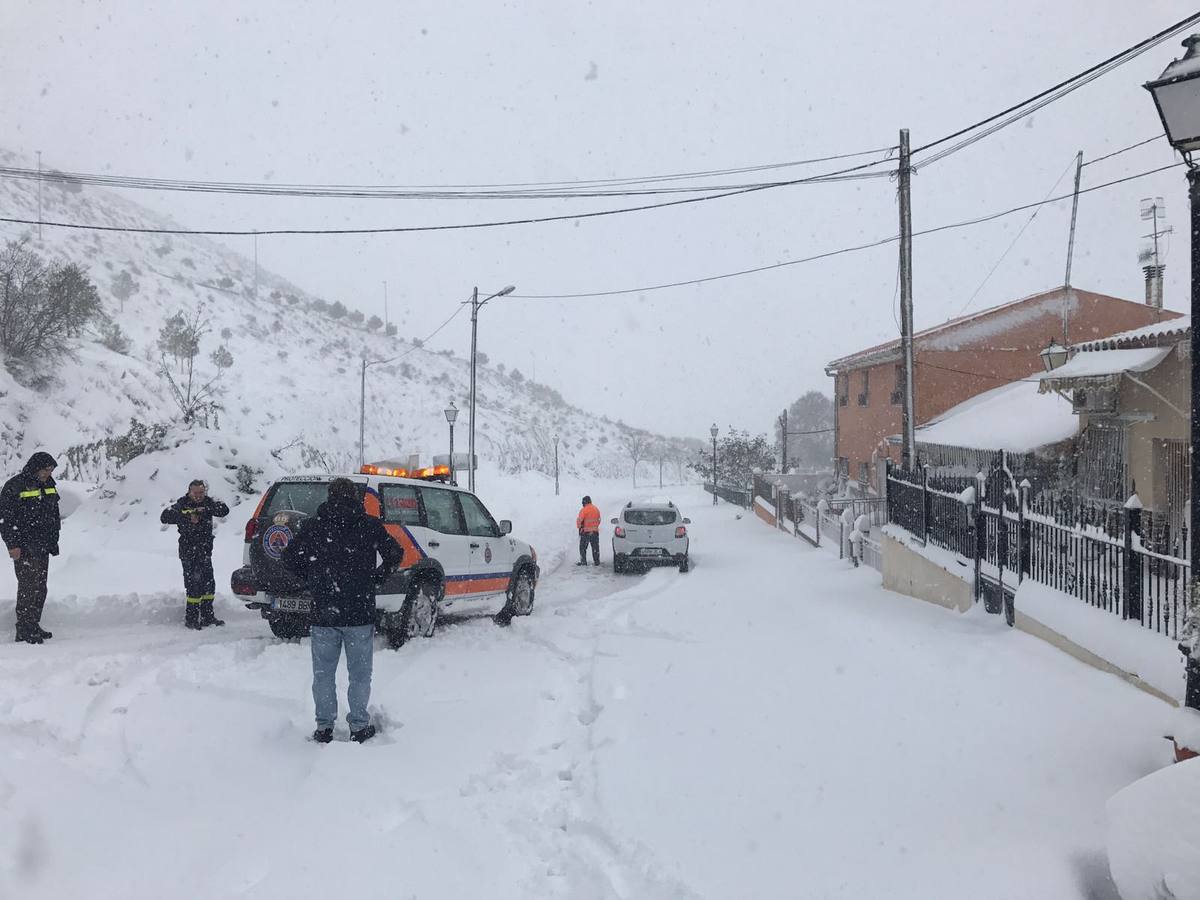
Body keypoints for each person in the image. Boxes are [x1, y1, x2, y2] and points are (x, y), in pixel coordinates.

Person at [282, 478, 403, 744]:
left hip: (324, 611)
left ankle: (324, 727)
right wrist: (376, 577)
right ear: (356, 497)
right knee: (359, 673)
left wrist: (312, 578)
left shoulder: (314, 525)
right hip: (359, 611)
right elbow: (396, 553)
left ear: (330, 495)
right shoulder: (369, 525)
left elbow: (289, 558)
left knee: (323, 673)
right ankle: (359, 726)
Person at [0, 452, 62, 644]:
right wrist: (13, 545)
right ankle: (24, 629)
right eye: (45, 469)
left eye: (51, 470)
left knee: (40, 588)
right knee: (28, 587)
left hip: (43, 545)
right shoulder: (15, 486)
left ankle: (34, 624)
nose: (48, 473)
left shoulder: (49, 484)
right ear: (35, 467)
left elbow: (53, 512)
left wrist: (54, 538)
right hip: (25, 546)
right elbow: (6, 520)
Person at [160, 480, 230, 630]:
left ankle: (207, 616)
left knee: (209, 585)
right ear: (189, 492)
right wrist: (186, 516)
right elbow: (165, 516)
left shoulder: (208, 502)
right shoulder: (182, 504)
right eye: (195, 493)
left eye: (201, 492)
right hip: (189, 552)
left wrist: (207, 508)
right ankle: (191, 619)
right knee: (193, 586)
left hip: (204, 551)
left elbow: (224, 510)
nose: (198, 496)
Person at [576, 495, 601, 566]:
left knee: (583, 548)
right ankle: (596, 561)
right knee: (595, 548)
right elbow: (599, 520)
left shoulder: (584, 510)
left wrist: (580, 527)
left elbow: (579, 520)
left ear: (584, 502)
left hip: (585, 532)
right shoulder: (596, 509)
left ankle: (583, 561)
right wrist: (595, 527)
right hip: (595, 532)